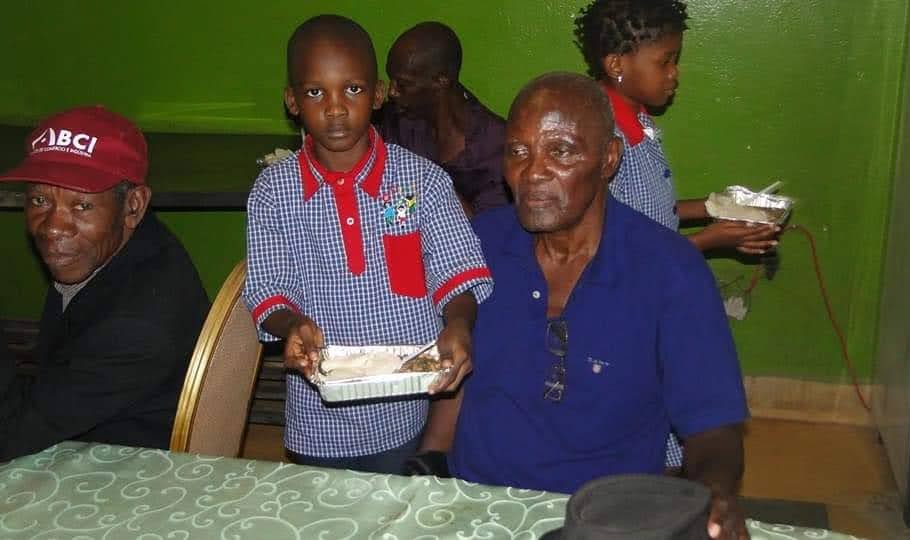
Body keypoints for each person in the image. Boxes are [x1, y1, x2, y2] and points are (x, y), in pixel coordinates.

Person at [440, 73, 749, 539]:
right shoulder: (479, 245)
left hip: (608, 519)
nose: (533, 172)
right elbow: (450, 383)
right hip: (477, 505)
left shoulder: (669, 270)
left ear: (608, 159)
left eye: (561, 151)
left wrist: (715, 493)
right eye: (518, 151)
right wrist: (429, 466)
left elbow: (714, 425)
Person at [243, 15, 493, 475]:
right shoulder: (274, 192)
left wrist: (458, 323)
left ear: (378, 95)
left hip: (407, 408)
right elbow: (269, 287)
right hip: (319, 417)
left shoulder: (421, 181)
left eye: (352, 89)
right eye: (315, 92)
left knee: (396, 504)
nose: (336, 108)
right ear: (292, 101)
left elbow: (457, 270)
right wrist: (291, 324)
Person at [0, 105, 209, 461]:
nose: (52, 227)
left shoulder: (135, 327)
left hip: (120, 467)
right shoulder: (132, 243)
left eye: (81, 206)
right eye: (39, 200)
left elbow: (7, 436)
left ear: (134, 206)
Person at [574, 0, 779, 255]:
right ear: (616, 65)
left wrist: (718, 207)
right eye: (665, 62)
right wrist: (707, 240)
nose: (674, 72)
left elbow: (649, 211)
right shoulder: (603, 138)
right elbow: (622, 252)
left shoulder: (638, 121)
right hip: (630, 274)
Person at [379, 21, 509, 217]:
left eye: (403, 84)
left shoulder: (496, 149)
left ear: (441, 80)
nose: (392, 92)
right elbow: (390, 214)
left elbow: (487, 231)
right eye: (391, 80)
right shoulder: (397, 122)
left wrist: (433, 182)